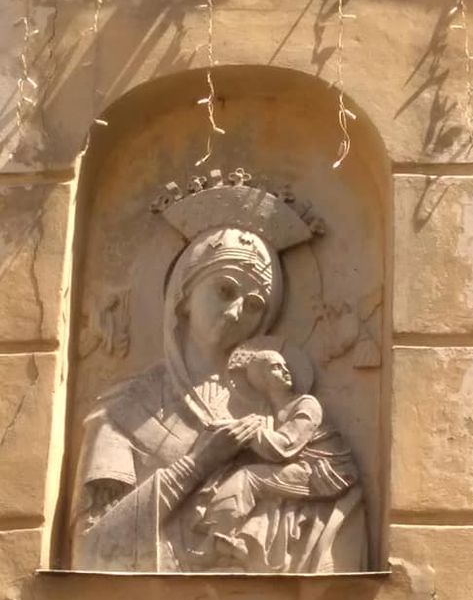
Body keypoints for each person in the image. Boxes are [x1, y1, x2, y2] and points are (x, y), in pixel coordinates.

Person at [70, 178, 368, 573]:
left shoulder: (275, 400)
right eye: (225, 290)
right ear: (183, 295)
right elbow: (92, 551)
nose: (236, 312)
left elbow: (337, 498)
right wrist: (199, 464)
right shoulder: (125, 410)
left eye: (254, 304)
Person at [193, 346, 359, 569]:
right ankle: (233, 543)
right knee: (232, 472)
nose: (286, 370)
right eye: (276, 367)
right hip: (300, 468)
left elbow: (284, 447)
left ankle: (217, 540)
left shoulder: (306, 403)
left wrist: (242, 429)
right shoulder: (267, 414)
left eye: (285, 366)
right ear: (261, 379)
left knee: (247, 478)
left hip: (326, 470)